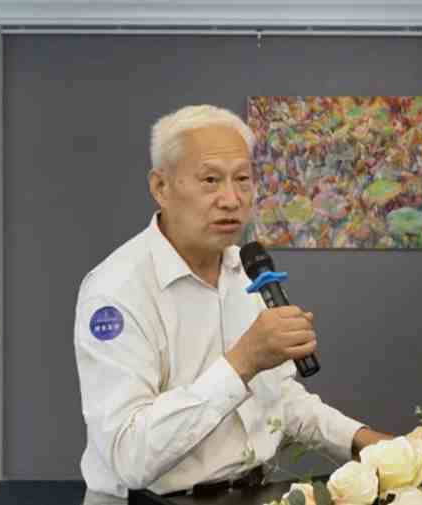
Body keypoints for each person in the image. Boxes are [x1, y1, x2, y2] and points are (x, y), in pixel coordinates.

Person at [73, 105, 391, 501]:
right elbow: (128, 457)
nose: (231, 199)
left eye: (243, 179)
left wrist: (366, 442)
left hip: (251, 493)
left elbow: (278, 398)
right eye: (210, 180)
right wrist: (243, 361)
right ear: (160, 187)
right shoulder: (116, 290)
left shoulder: (246, 270)